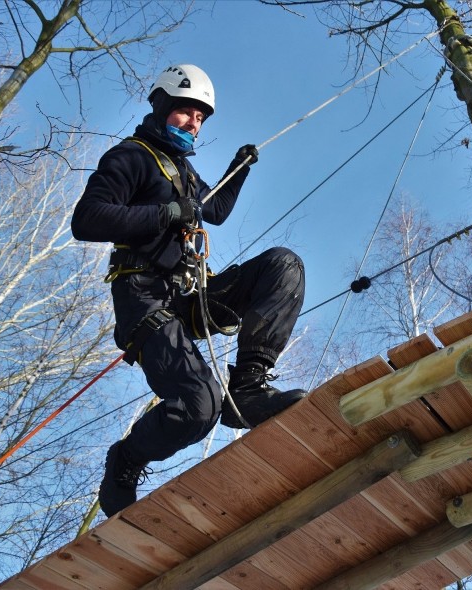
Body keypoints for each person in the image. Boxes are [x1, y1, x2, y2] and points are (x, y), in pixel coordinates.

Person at [71, 64, 307, 518]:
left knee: (283, 265)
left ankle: (250, 390)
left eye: (201, 117)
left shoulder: (182, 169)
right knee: (200, 407)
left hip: (190, 294)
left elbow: (211, 210)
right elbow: (88, 219)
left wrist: (237, 171)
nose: (194, 122)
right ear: (161, 107)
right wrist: (165, 215)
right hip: (144, 296)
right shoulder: (132, 157)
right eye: (185, 112)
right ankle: (127, 459)